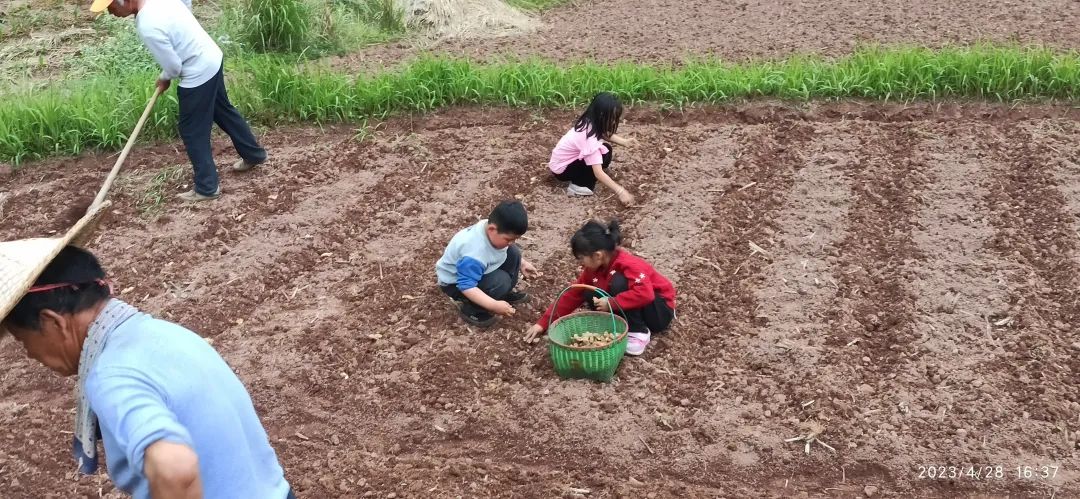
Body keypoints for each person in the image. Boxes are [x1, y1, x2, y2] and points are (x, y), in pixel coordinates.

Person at [1, 245, 293, 498]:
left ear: (53, 322)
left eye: (23, 340)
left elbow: (175, 468)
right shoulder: (160, 332)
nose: (29, 353)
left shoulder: (111, 375)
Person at [91, 0, 269, 202]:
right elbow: (186, 4)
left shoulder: (147, 24)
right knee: (223, 110)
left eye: (111, 6)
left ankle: (207, 187)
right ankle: (253, 154)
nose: (111, 12)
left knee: (192, 131)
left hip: (198, 72)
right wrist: (168, 72)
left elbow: (174, 67)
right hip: (212, 56)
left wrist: (165, 77)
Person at [524, 219, 675, 356]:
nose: (580, 263)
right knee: (589, 291)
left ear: (597, 255)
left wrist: (611, 303)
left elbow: (646, 294)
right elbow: (572, 294)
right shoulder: (592, 270)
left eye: (582, 258)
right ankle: (621, 324)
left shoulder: (628, 264)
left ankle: (638, 332)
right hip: (633, 306)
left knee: (618, 283)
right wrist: (542, 323)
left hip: (658, 312)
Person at [436, 200, 539, 327]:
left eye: (515, 239)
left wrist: (522, 263)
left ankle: (502, 294)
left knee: (513, 252)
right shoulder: (474, 253)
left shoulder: (492, 230)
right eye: (509, 239)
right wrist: (493, 305)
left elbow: (502, 251)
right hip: (456, 285)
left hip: (475, 271)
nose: (511, 242)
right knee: (501, 281)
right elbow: (466, 286)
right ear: (491, 229)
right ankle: (473, 309)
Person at [547, 92, 639, 204]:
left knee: (606, 150)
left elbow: (603, 133)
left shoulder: (589, 121)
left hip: (560, 162)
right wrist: (621, 191)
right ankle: (578, 186)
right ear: (601, 115)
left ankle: (583, 175)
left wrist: (624, 142)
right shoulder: (589, 140)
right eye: (613, 118)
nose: (615, 121)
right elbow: (598, 173)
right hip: (562, 170)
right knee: (599, 159)